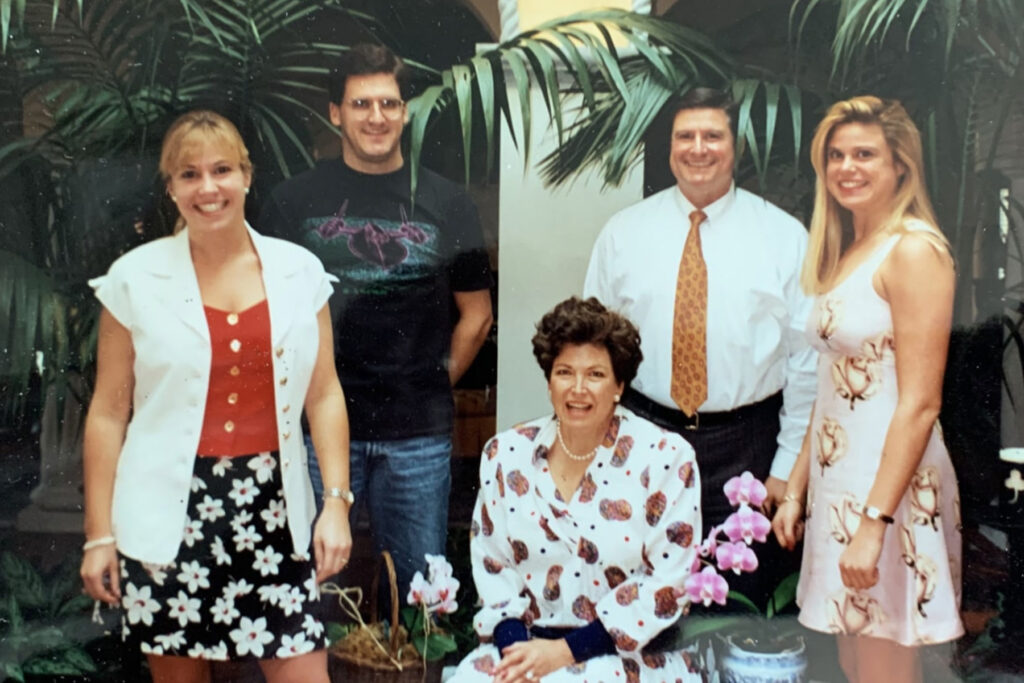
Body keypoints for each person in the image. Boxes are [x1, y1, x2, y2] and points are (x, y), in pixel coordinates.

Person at [80, 110, 352, 682]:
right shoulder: (133, 280)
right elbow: (108, 413)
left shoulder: (300, 273)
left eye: (222, 169)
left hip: (275, 508)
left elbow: (324, 394)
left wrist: (335, 503)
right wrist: (99, 535)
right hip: (169, 513)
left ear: (247, 176)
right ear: (171, 187)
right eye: (189, 174)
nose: (208, 188)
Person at [258, 43, 493, 595]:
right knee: (305, 590)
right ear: (336, 112)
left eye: (389, 103)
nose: (376, 117)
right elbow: (267, 312)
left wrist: (432, 381)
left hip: (416, 433)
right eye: (361, 104)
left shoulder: (447, 202)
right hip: (317, 433)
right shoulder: (294, 201)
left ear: (406, 109)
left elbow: (476, 315)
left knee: (416, 594)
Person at [583, 87, 815, 602]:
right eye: (685, 136)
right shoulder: (623, 234)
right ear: (669, 148)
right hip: (645, 435)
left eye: (713, 135)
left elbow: (806, 362)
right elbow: (592, 353)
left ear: (735, 147)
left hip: (750, 443)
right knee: (642, 595)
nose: (698, 148)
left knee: (743, 601)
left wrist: (785, 465)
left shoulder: (784, 237)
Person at [772, 96, 964, 683]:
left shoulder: (914, 250)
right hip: (839, 485)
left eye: (865, 154)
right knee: (855, 658)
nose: (846, 168)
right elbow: (830, 388)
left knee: (883, 660)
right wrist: (798, 488)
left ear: (900, 165)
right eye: (836, 155)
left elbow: (922, 403)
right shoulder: (847, 249)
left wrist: (874, 521)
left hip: (890, 490)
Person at [452, 297, 703, 683]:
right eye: (565, 372)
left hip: (628, 658)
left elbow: (667, 583)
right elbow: (493, 567)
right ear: (549, 380)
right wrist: (519, 658)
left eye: (596, 375)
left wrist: (562, 654)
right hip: (526, 650)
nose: (578, 389)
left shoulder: (665, 459)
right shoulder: (505, 455)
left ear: (620, 385)